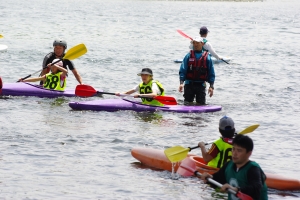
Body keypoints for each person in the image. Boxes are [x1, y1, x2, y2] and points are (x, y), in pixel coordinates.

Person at [201, 135, 268, 200]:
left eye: (239, 150)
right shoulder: (228, 165)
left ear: (249, 153)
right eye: (233, 149)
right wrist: (209, 178)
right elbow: (219, 179)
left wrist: (236, 189)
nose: (234, 153)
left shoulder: (253, 168)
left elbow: (256, 188)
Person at [179, 36, 215, 105]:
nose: (195, 45)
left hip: (201, 85)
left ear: (202, 44)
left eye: (197, 43)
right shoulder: (188, 56)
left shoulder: (207, 57)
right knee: (187, 104)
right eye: (194, 43)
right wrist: (181, 83)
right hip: (189, 84)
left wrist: (211, 86)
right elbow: (183, 69)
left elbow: (211, 72)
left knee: (201, 104)